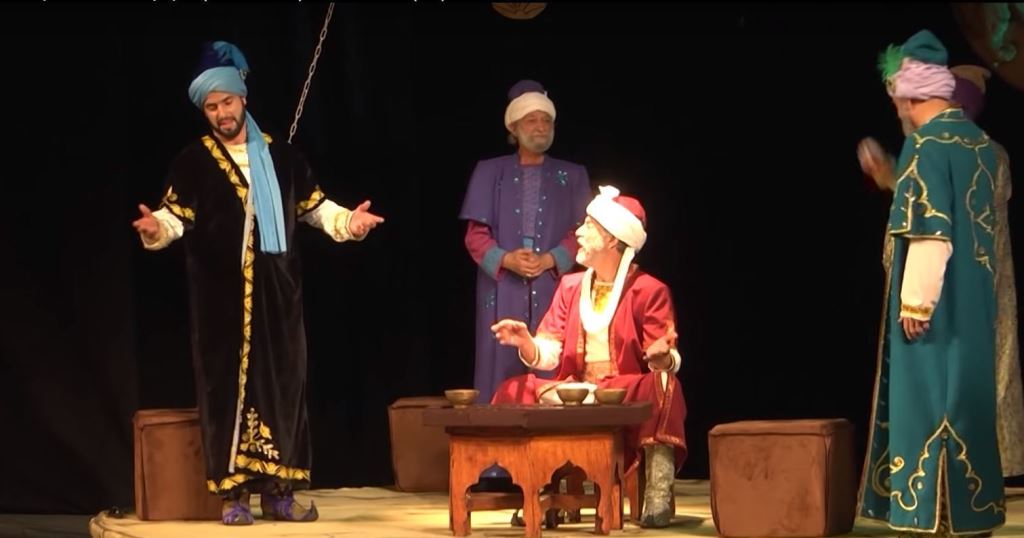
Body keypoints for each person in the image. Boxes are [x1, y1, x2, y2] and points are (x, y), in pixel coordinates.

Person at [131, 41, 384, 525]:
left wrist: (351, 223)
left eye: (227, 102)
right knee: (227, 391)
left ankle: (279, 494)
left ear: (242, 98)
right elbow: (174, 218)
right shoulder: (193, 162)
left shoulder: (282, 157)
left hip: (278, 300)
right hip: (220, 304)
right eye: (211, 107)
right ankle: (235, 497)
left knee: (283, 388)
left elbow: (316, 209)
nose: (221, 113)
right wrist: (154, 229)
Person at [856, 30, 1006, 536]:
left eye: (898, 100)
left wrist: (916, 304)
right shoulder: (981, 147)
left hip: (937, 312)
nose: (898, 111)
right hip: (974, 307)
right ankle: (971, 515)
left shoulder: (924, 145)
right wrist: (891, 179)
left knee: (931, 408)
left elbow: (932, 230)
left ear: (910, 96)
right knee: (967, 405)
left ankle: (934, 517)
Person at [490, 186, 686, 528]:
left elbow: (666, 353)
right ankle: (536, 491)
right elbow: (549, 352)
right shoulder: (570, 286)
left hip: (621, 393)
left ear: (612, 239)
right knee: (514, 389)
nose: (578, 233)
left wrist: (662, 359)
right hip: (575, 391)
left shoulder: (649, 290)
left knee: (664, 384)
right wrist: (527, 343)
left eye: (588, 226)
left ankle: (657, 494)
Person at [460, 79, 592, 406]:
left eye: (547, 120)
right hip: (502, 286)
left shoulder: (573, 175)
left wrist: (550, 259)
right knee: (500, 363)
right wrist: (506, 259)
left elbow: (584, 231)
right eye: (531, 120)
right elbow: (475, 235)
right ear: (514, 127)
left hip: (554, 285)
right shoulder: (489, 171)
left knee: (554, 362)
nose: (541, 127)